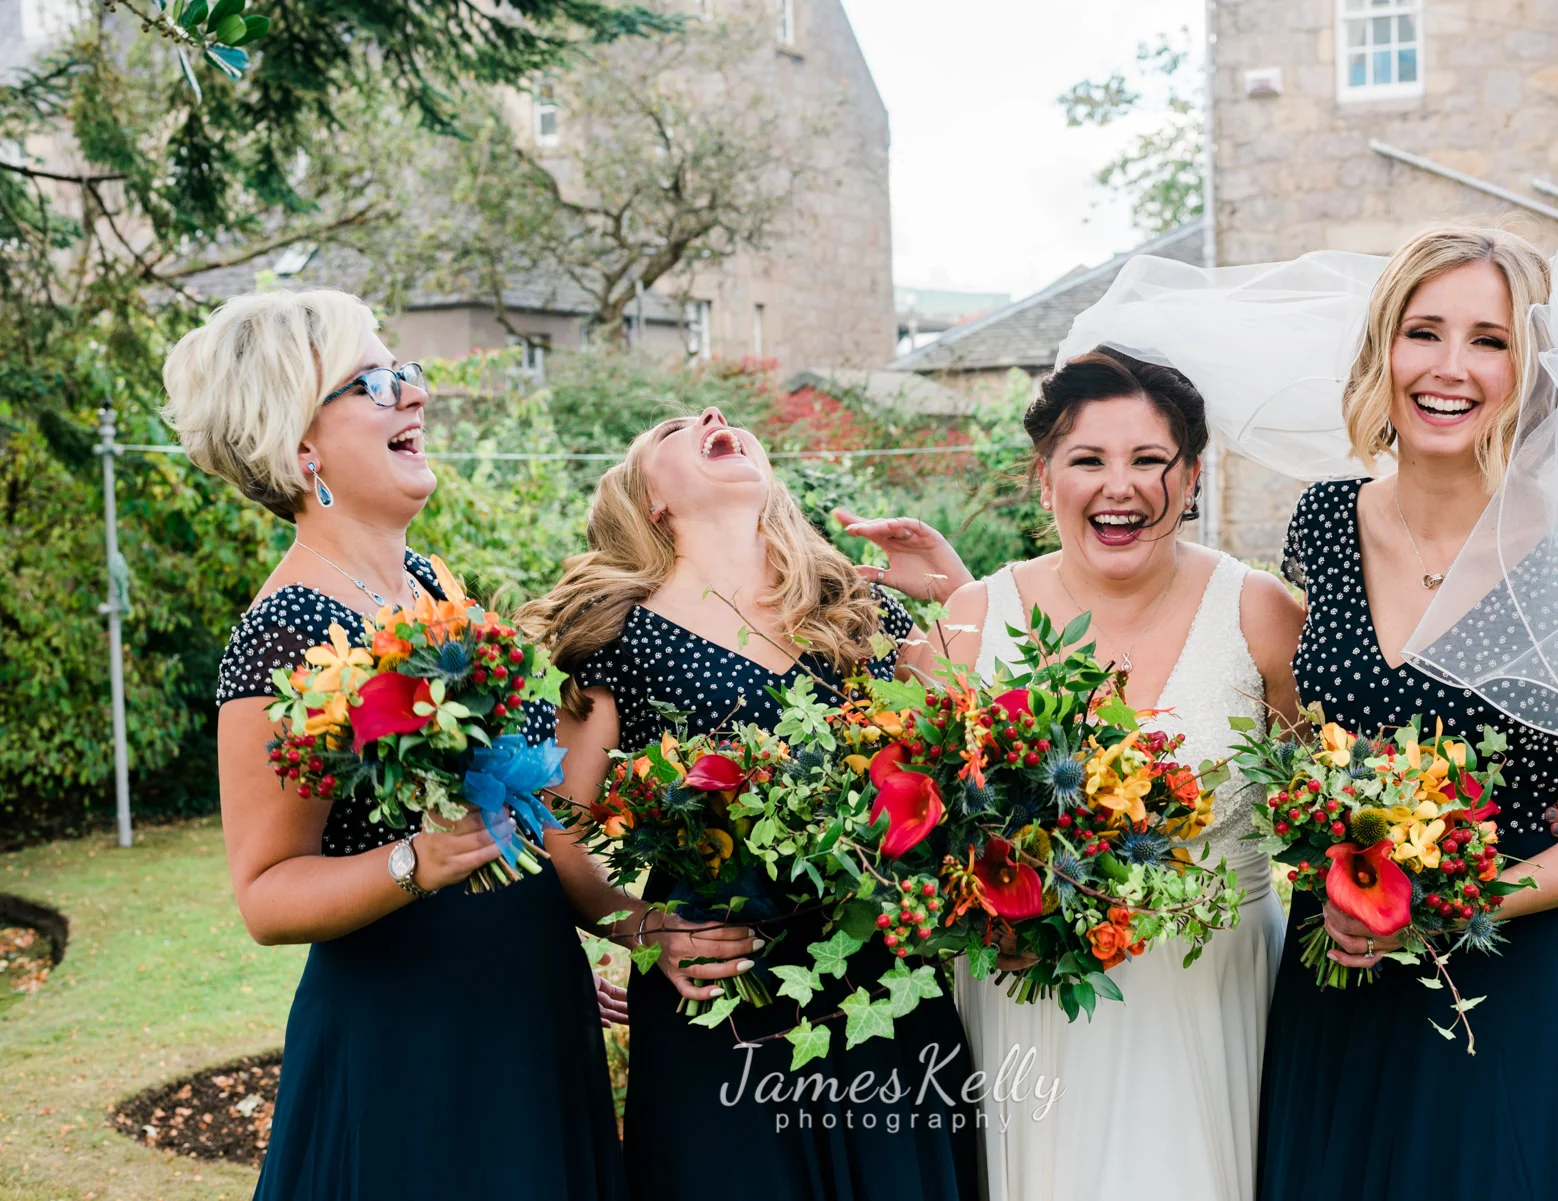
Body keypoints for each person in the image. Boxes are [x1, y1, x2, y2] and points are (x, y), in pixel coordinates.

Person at [163, 289, 629, 1201]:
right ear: (302, 448)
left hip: (528, 1013)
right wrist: (413, 859)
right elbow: (265, 894)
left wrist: (633, 926)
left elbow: (530, 815)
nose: (415, 395)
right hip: (413, 1054)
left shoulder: (430, 587)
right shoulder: (285, 630)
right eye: (375, 382)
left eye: (407, 373)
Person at [846, 349, 1306, 1201]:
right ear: (1045, 476)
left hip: (1212, 996)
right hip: (1028, 1000)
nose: (1118, 486)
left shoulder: (1260, 613)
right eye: (1088, 459)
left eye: (1148, 460)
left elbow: (1322, 805)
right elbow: (922, 826)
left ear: (1193, 473)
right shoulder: (976, 618)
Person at [1256, 226, 1558, 1200]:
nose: (1449, 367)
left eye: (1490, 339)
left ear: (1533, 369)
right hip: (1338, 982)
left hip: (1508, 992)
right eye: (1423, 330)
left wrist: (1447, 908)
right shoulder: (1321, 524)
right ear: (1381, 350)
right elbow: (1307, 730)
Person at [519, 408, 979, 1201]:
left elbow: (954, 758)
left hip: (885, 987)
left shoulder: (858, 611)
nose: (713, 416)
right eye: (670, 429)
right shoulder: (616, 639)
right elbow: (560, 826)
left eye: (719, 416)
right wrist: (642, 925)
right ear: (651, 502)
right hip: (724, 1005)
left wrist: (955, 592)